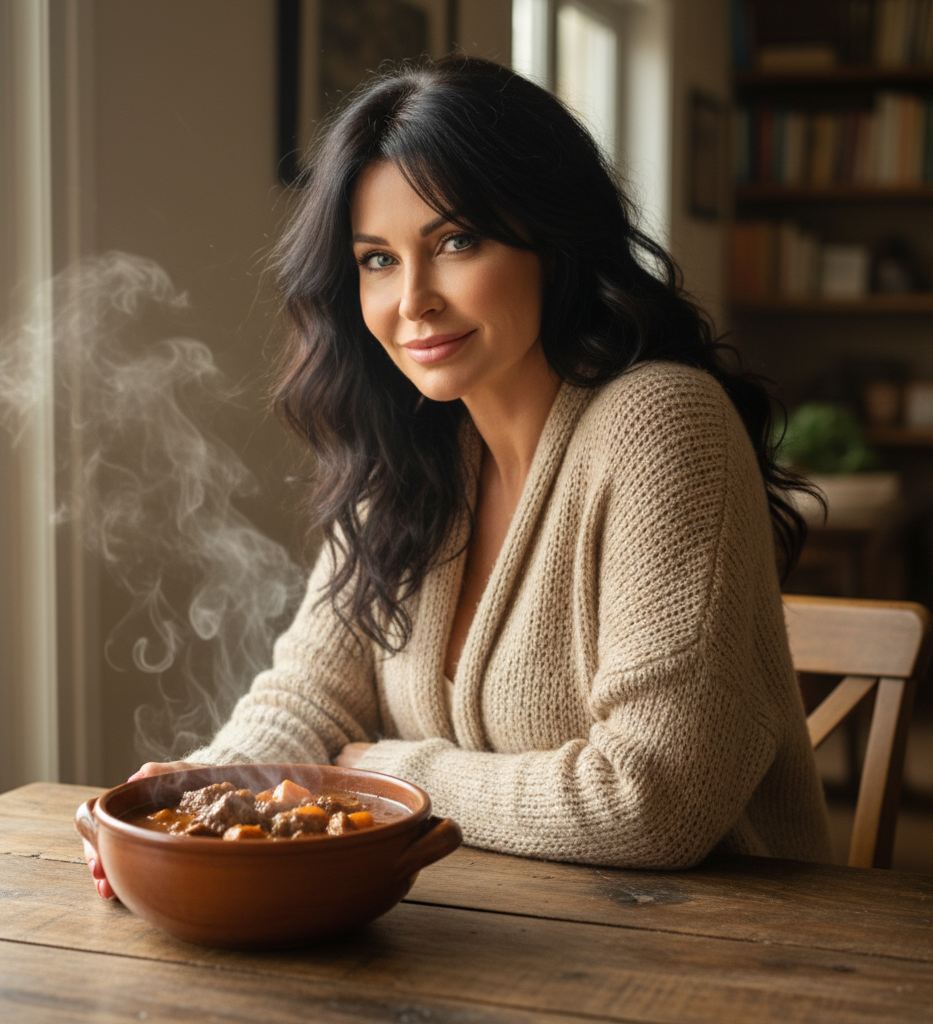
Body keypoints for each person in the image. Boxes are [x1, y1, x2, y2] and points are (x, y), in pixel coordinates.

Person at [86, 55, 831, 900]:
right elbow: (309, 699)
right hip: (496, 928)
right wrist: (199, 801)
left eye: (455, 242)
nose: (413, 300)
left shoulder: (662, 424)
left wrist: (383, 774)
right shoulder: (407, 449)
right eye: (377, 259)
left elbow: (653, 801)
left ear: (553, 239)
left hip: (719, 943)